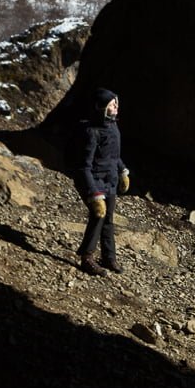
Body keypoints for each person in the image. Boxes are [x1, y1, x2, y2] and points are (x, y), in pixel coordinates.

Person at [73, 87, 129, 275]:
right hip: (96, 182)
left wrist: (122, 171)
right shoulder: (91, 132)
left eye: (116, 104)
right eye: (112, 105)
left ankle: (109, 257)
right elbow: (84, 166)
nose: (116, 108)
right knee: (98, 217)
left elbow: (114, 155)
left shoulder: (113, 126)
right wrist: (94, 194)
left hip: (110, 180)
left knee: (108, 220)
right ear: (102, 108)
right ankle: (87, 258)